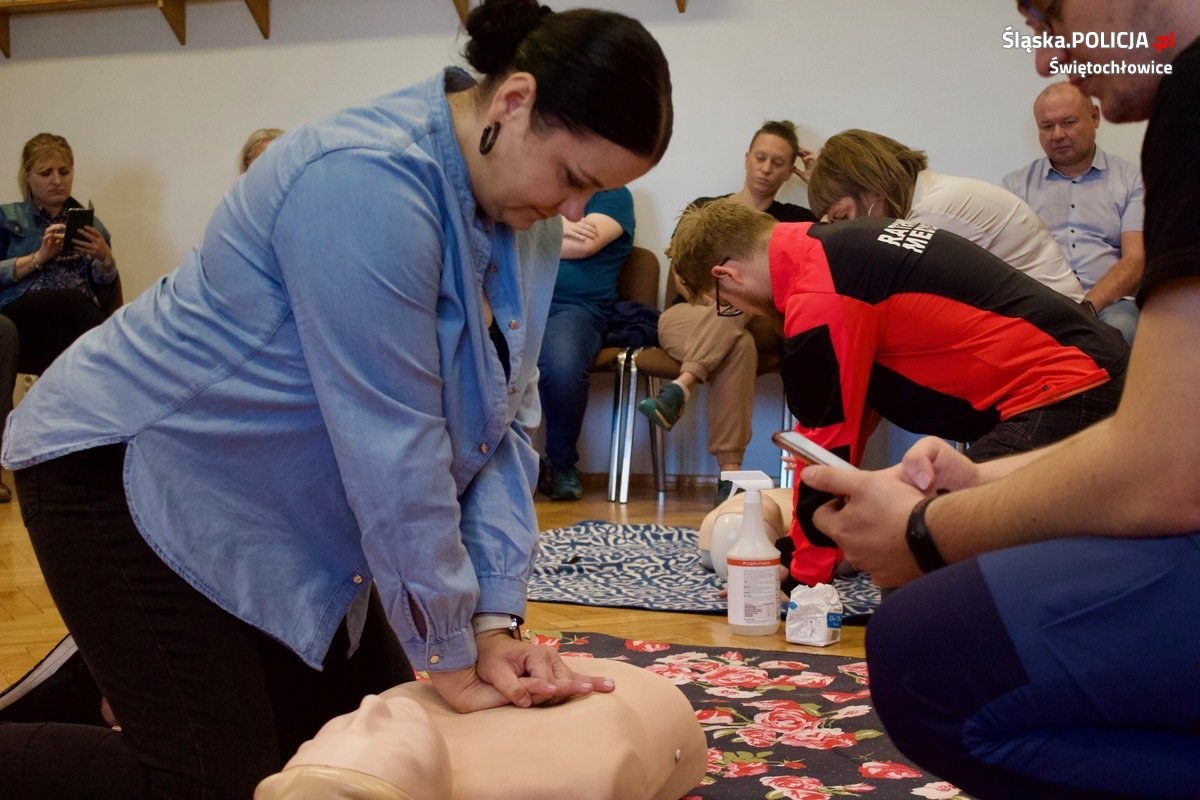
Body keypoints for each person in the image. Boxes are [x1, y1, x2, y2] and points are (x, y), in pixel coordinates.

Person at [0, 1, 673, 797]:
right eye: (573, 179)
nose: (572, 213)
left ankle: (122, 681)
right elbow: (395, 446)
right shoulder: (364, 179)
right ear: (514, 102)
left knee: (355, 748)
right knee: (209, 779)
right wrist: (449, 650)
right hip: (128, 470)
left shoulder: (518, 216)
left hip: (268, 502)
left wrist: (493, 621)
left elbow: (498, 430)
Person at [798, 2, 1200, 797]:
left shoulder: (1188, 103)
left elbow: (1166, 465)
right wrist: (982, 482)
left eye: (1051, 17)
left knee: (922, 655)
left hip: (1077, 362)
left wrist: (923, 529)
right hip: (1084, 381)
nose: (1047, 58)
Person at [666, 200, 1127, 588]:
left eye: (724, 303)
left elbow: (824, 442)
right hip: (1088, 373)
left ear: (727, 275)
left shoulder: (816, 290)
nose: (738, 311)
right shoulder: (835, 247)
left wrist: (804, 577)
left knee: (928, 537)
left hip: (1067, 388)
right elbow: (852, 411)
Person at [640, 120, 817, 504]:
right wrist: (713, 298)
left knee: (738, 298)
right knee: (737, 342)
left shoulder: (795, 221)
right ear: (747, 158)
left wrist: (817, 184)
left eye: (778, 162)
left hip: (764, 321)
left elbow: (836, 245)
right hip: (689, 317)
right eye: (761, 157)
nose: (767, 168)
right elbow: (684, 272)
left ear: (790, 171)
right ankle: (730, 478)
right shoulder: (704, 210)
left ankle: (681, 388)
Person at [806, 128, 1085, 301]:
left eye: (843, 217)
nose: (847, 230)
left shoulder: (934, 213)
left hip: (1061, 338)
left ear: (872, 189)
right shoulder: (931, 197)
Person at [0, 133, 121, 504]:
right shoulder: (7, 219)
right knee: (75, 308)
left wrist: (104, 259)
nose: (57, 180)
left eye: (64, 171)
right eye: (45, 172)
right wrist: (39, 257)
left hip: (72, 322)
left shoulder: (91, 224)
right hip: (21, 316)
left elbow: (105, 288)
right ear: (28, 177)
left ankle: (101, 457)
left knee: (105, 329)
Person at [1003, 81, 1145, 343]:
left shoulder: (1131, 180)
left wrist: (1088, 307)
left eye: (1068, 122)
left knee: (1121, 331)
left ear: (1094, 118)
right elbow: (1007, 261)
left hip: (1110, 306)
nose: (1057, 134)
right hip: (1039, 307)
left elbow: (1135, 259)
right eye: (1047, 126)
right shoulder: (1015, 187)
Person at [537, 186, 635, 500]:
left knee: (563, 367)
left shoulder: (614, 195)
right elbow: (502, 236)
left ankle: (562, 464)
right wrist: (562, 227)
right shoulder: (537, 183)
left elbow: (584, 245)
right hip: (517, 297)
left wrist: (531, 230)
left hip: (576, 307)